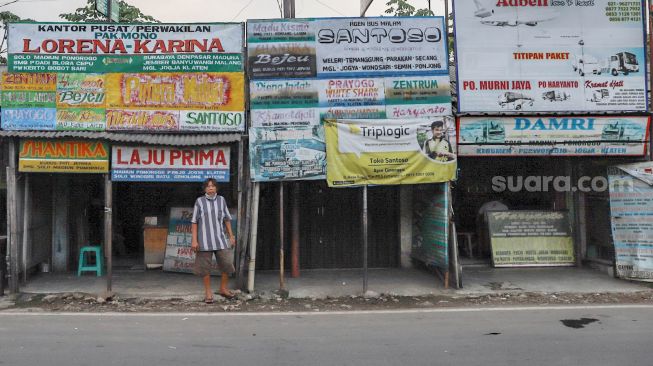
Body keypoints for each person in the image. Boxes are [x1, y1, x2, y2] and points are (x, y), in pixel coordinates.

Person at [191, 178, 236, 303]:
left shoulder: (221, 200)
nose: (210, 188)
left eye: (213, 186)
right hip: (204, 241)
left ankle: (223, 288)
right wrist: (194, 240)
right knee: (205, 268)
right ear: (204, 189)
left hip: (220, 239)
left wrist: (231, 236)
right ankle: (208, 292)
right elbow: (194, 222)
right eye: (208, 186)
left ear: (216, 188)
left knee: (226, 264)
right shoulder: (199, 201)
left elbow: (227, 219)